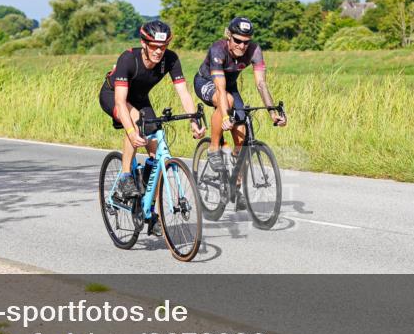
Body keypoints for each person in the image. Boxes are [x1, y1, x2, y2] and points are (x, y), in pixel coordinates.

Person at [99, 21, 205, 215]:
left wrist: (193, 121)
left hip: (139, 99)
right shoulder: (128, 59)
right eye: (154, 46)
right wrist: (131, 132)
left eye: (163, 47)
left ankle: (151, 211)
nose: (158, 51)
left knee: (157, 153)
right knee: (136, 122)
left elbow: (183, 93)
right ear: (144, 43)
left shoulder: (170, 59)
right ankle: (125, 177)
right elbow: (121, 102)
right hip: (113, 95)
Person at [193, 17, 286, 209]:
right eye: (237, 40)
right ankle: (213, 149)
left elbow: (261, 84)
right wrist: (225, 116)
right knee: (226, 101)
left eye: (246, 42)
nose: (242, 46)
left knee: (241, 137)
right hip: (207, 82)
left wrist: (272, 112)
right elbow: (220, 89)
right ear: (229, 36)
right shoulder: (218, 49)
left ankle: (235, 186)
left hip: (230, 86)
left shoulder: (255, 50)